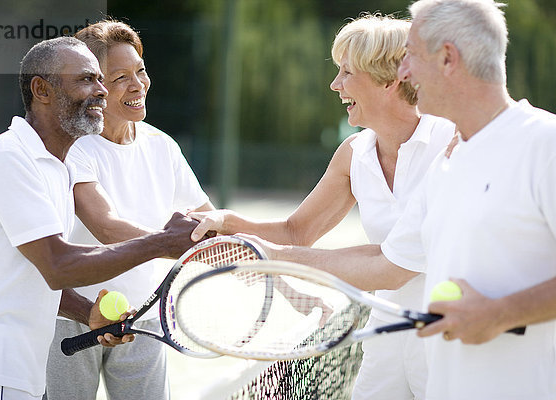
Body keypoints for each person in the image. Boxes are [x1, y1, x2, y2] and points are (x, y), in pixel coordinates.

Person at [223, 1, 556, 398]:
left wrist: (500, 313)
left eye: (411, 56)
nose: (403, 71)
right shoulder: (451, 164)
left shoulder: (544, 143)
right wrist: (273, 254)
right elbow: (389, 264)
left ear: (448, 58)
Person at [190, 15, 455, 400]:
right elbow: (298, 232)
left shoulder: (451, 141)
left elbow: (392, 265)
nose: (335, 84)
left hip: (453, 335)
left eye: (347, 72)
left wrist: (276, 255)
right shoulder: (354, 154)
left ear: (389, 78)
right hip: (388, 332)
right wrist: (228, 223)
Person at [0, 37, 210, 400]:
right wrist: (159, 243)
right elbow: (58, 265)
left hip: (20, 376)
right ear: (42, 89)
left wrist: (88, 312)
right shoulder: (9, 158)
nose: (100, 92)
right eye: (86, 80)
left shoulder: (55, 167)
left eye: (99, 81)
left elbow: (31, 273)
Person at [42, 20, 215, 400]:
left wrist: (281, 275)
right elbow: (106, 227)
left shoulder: (162, 146)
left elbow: (212, 222)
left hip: (144, 315)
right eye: (120, 77)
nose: (138, 84)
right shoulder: (73, 147)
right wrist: (171, 244)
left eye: (140, 70)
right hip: (69, 317)